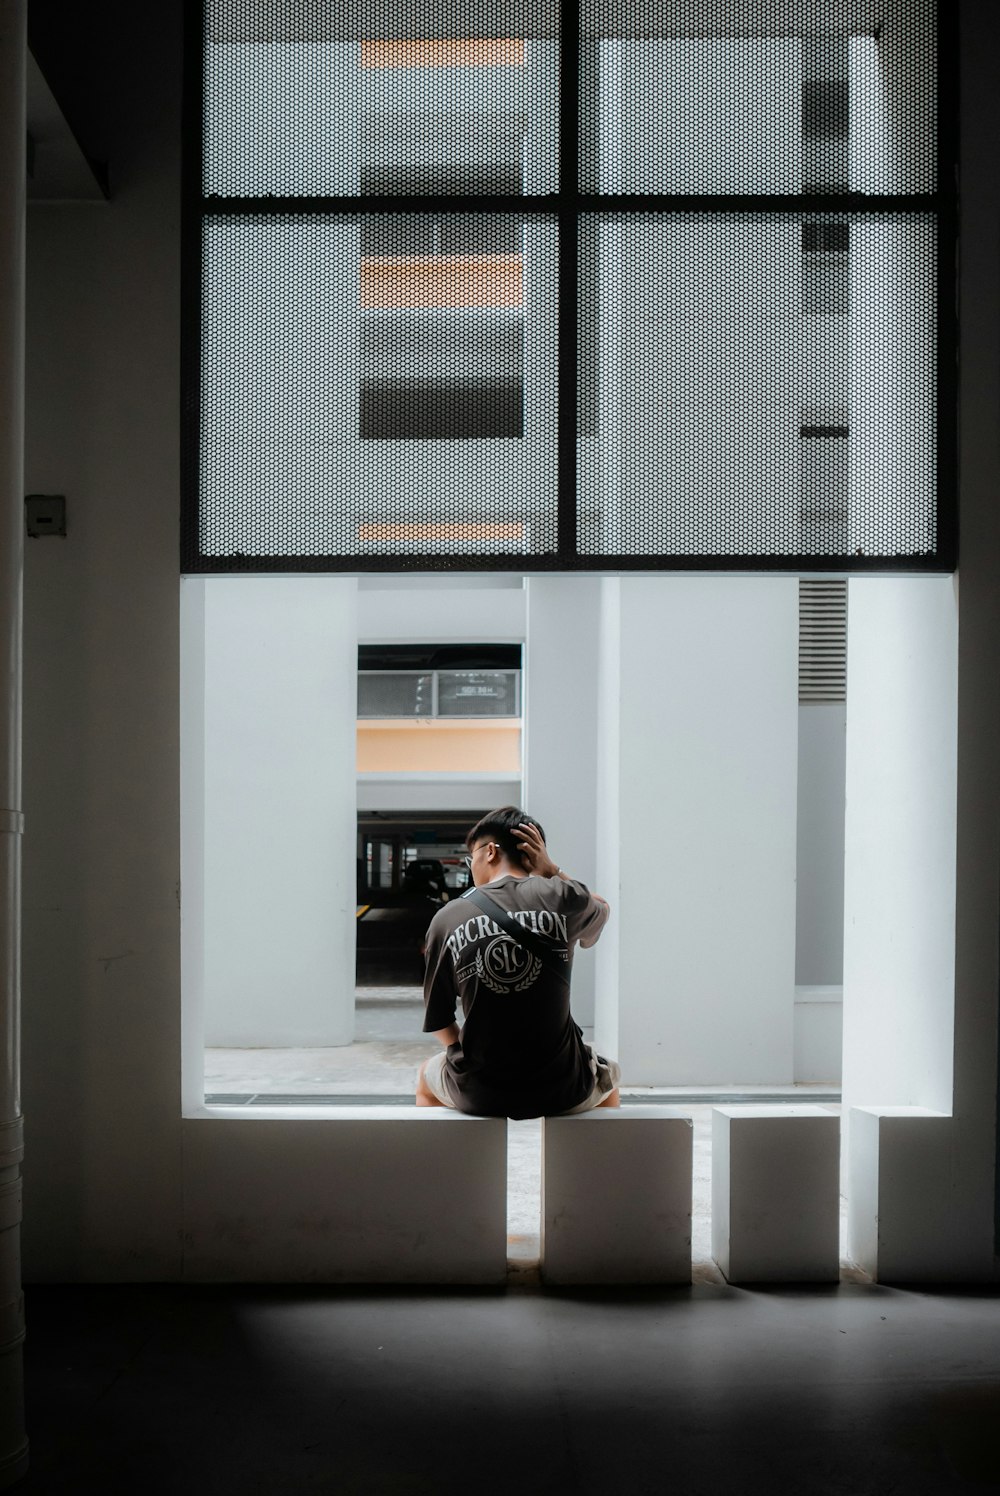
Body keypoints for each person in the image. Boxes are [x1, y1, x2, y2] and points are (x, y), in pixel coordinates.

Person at [416, 806, 621, 1118]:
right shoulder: (565, 898)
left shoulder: (447, 919)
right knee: (608, 1079)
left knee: (425, 1077)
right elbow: (602, 907)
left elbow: (440, 1020)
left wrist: (470, 1056)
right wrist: (552, 869)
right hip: (562, 1088)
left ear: (491, 852)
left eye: (472, 858)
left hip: (480, 1091)